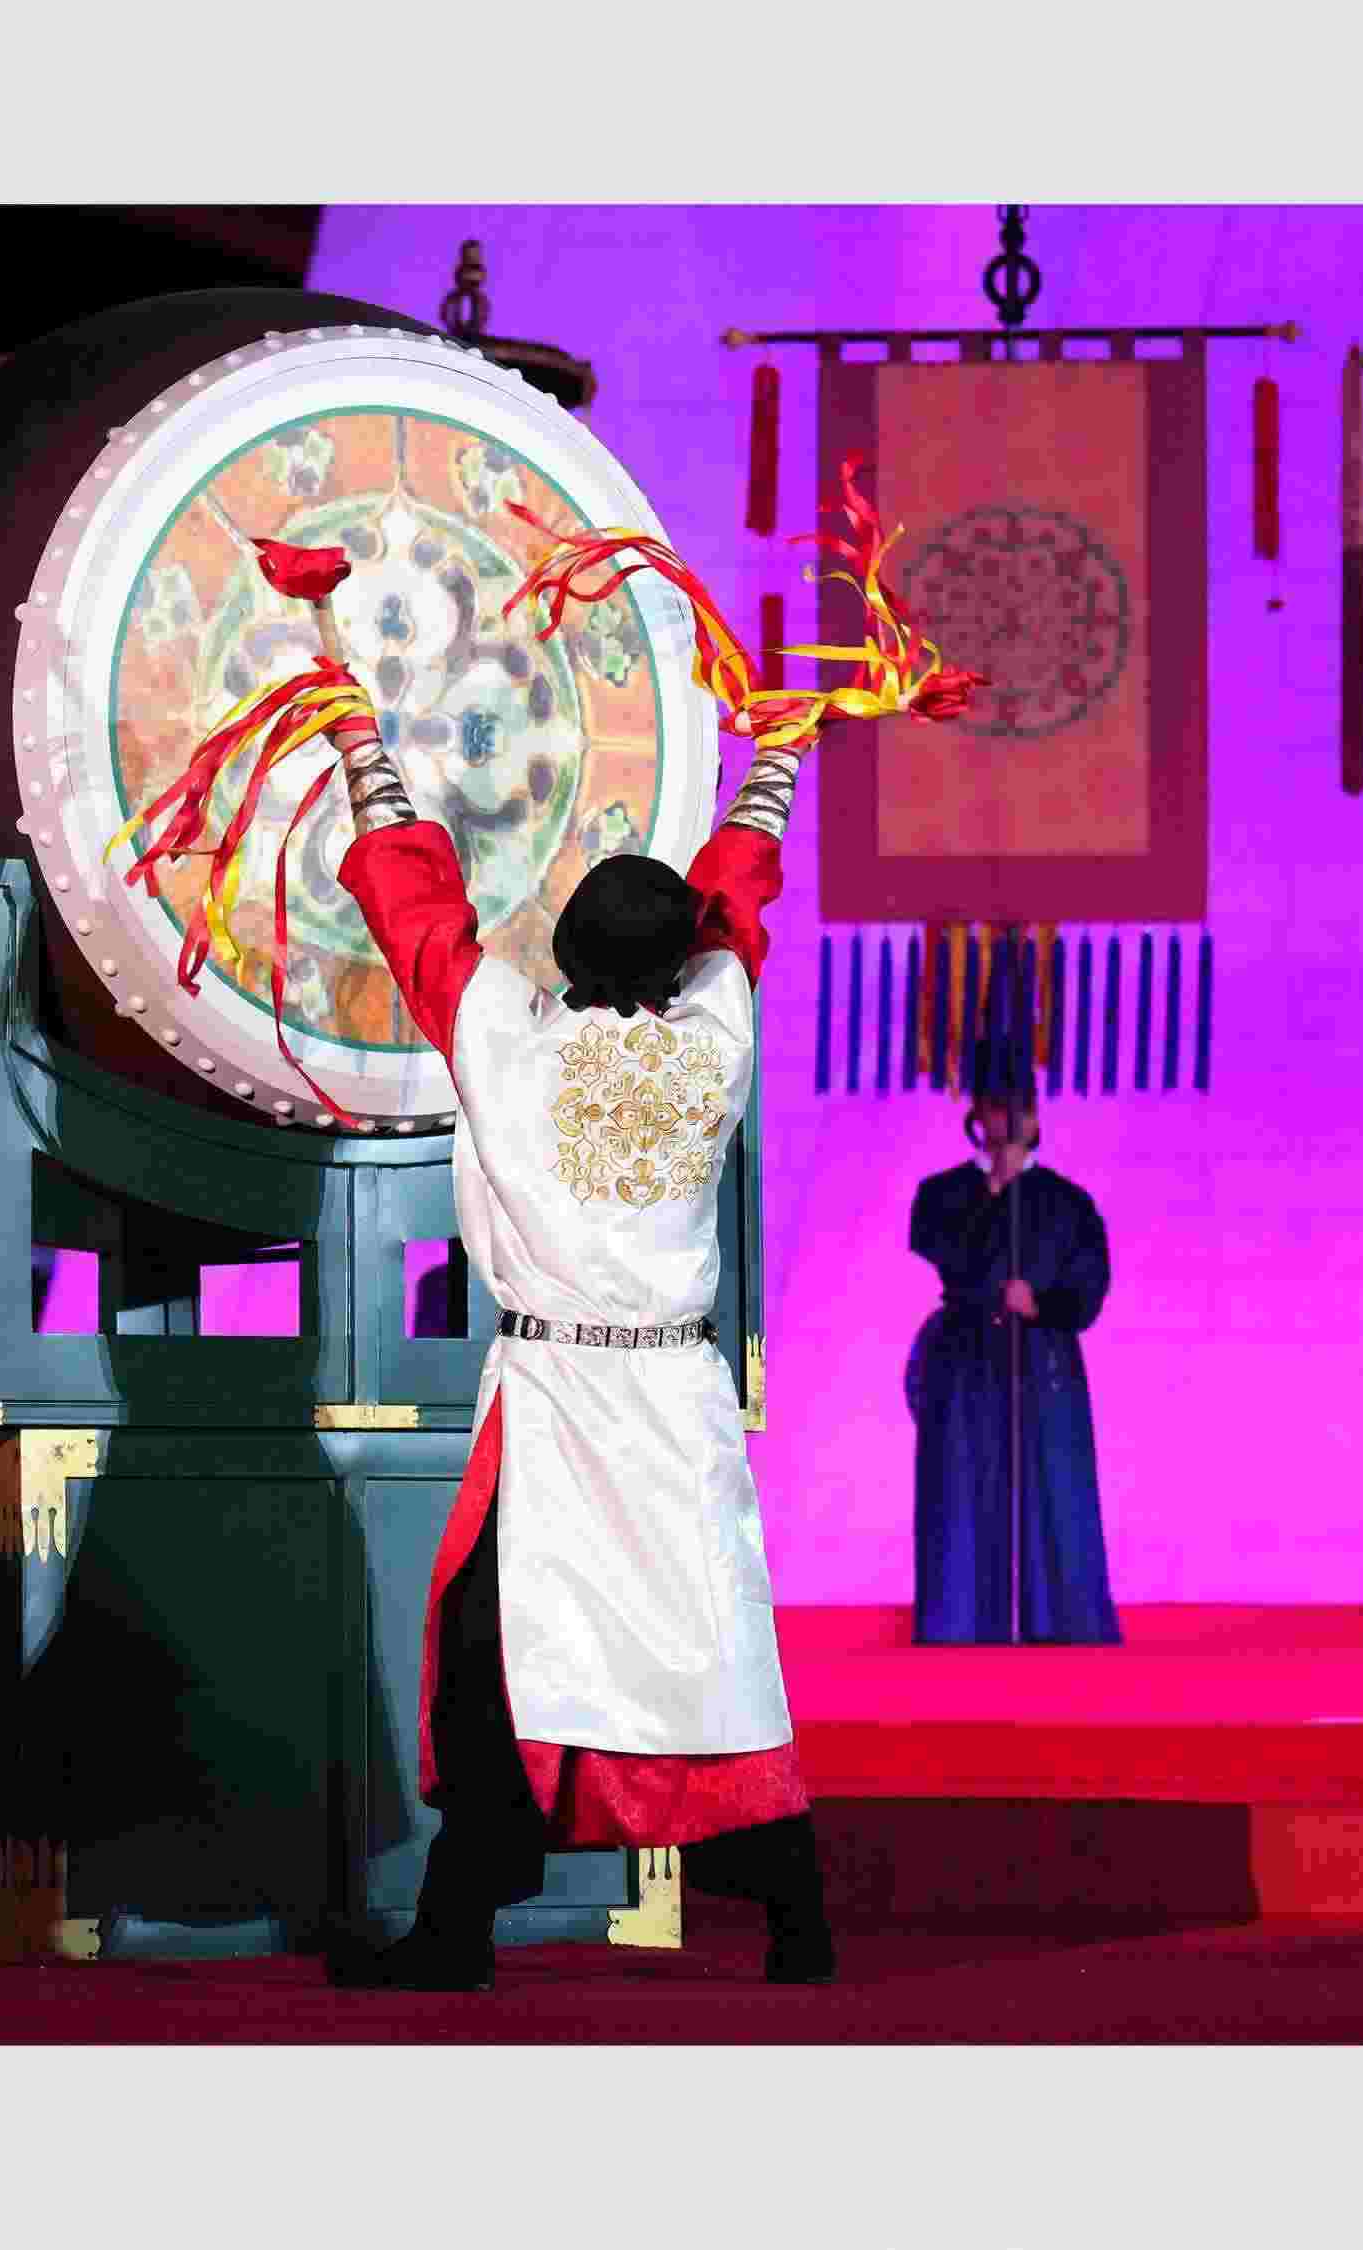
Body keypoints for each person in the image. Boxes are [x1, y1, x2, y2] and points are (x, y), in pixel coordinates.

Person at [328, 717, 834, 1990]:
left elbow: (418, 919)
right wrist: (776, 761)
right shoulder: (718, 1039)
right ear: (677, 963)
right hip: (672, 1396)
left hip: (560, 1400)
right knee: (706, 1660)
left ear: (565, 954)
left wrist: (358, 747)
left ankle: (453, 1932)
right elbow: (736, 909)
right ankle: (795, 1919)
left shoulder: (511, 1042)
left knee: (493, 1660)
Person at [902, 1040, 1122, 1645]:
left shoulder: (1066, 1203)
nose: (1009, 1118)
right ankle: (962, 1627)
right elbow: (947, 1257)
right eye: (998, 1105)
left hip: (1041, 1362)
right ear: (976, 1113)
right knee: (963, 1488)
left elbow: (1089, 1288)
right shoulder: (944, 1194)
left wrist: (1042, 1304)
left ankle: (1058, 1627)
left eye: (1021, 1105)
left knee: (1051, 1488)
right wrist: (997, 1194)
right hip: (968, 1362)